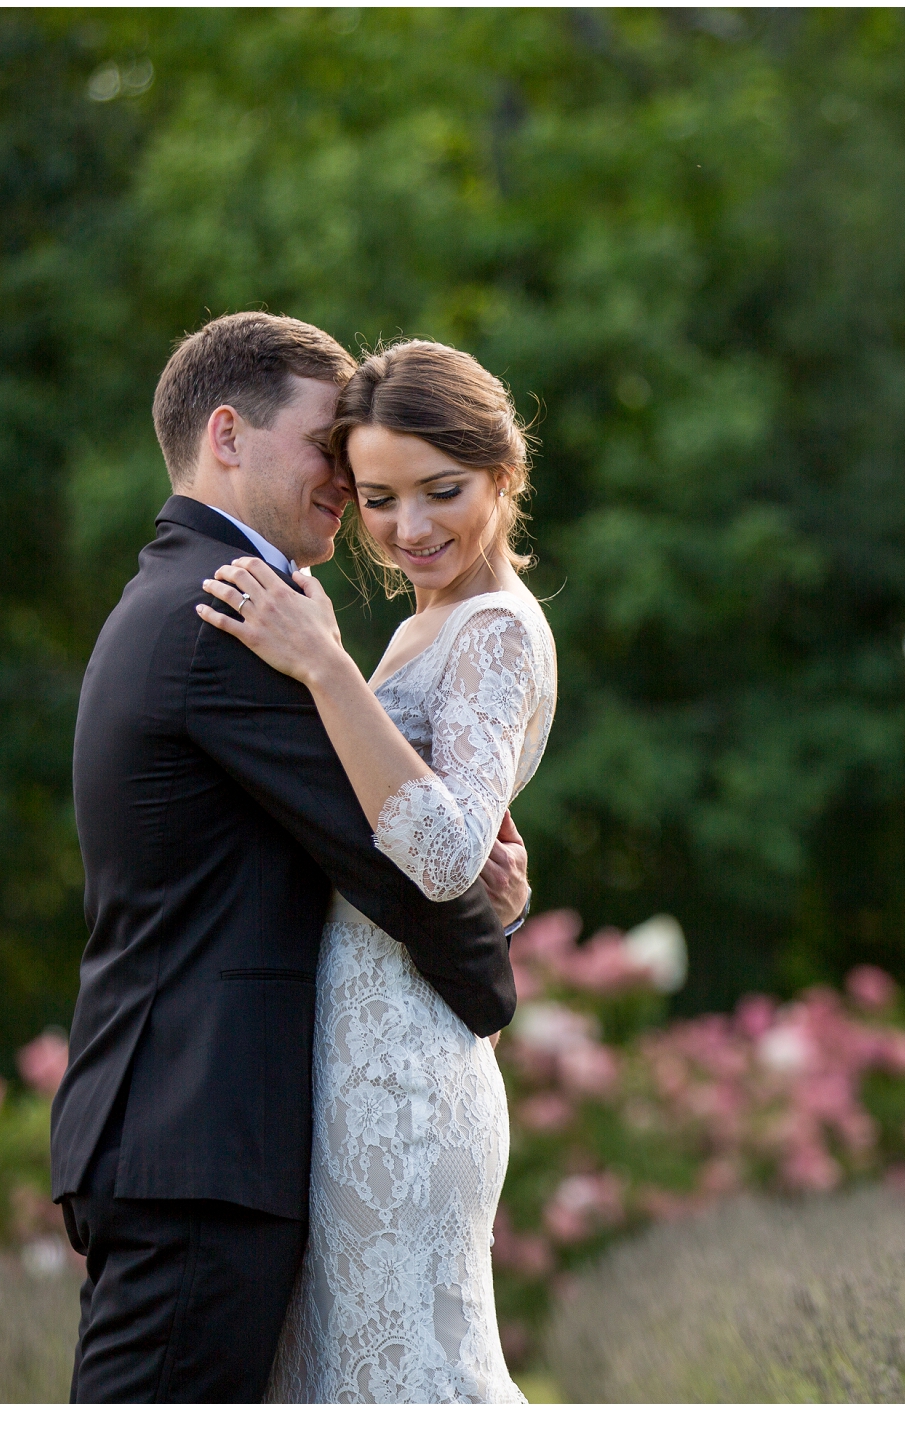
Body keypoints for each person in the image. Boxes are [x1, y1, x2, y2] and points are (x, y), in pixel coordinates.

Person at [50, 314, 529, 1403]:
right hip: (199, 1141)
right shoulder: (228, 614)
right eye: (327, 443)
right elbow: (389, 859)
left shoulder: (200, 596)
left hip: (185, 1132)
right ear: (228, 433)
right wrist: (487, 966)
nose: (348, 469)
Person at [194, 338, 556, 1404]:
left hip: (406, 1076)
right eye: (382, 499)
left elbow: (443, 859)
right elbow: (422, 837)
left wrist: (321, 663)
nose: (410, 530)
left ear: (504, 472)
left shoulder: (495, 631)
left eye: (442, 491)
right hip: (349, 1052)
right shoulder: (418, 629)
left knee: (412, 1387)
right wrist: (508, 901)